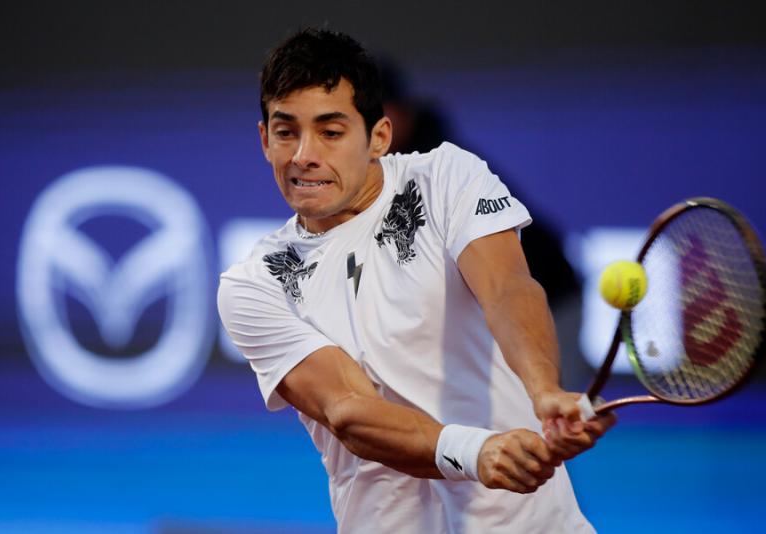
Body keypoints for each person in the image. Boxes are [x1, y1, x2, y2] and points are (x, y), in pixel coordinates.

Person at [218, 28, 615, 533]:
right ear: (264, 139)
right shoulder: (255, 284)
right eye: (286, 131)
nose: (303, 155)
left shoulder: (445, 176)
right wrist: (476, 451)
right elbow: (349, 409)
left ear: (379, 137)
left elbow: (506, 288)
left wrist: (544, 393)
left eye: (331, 131)